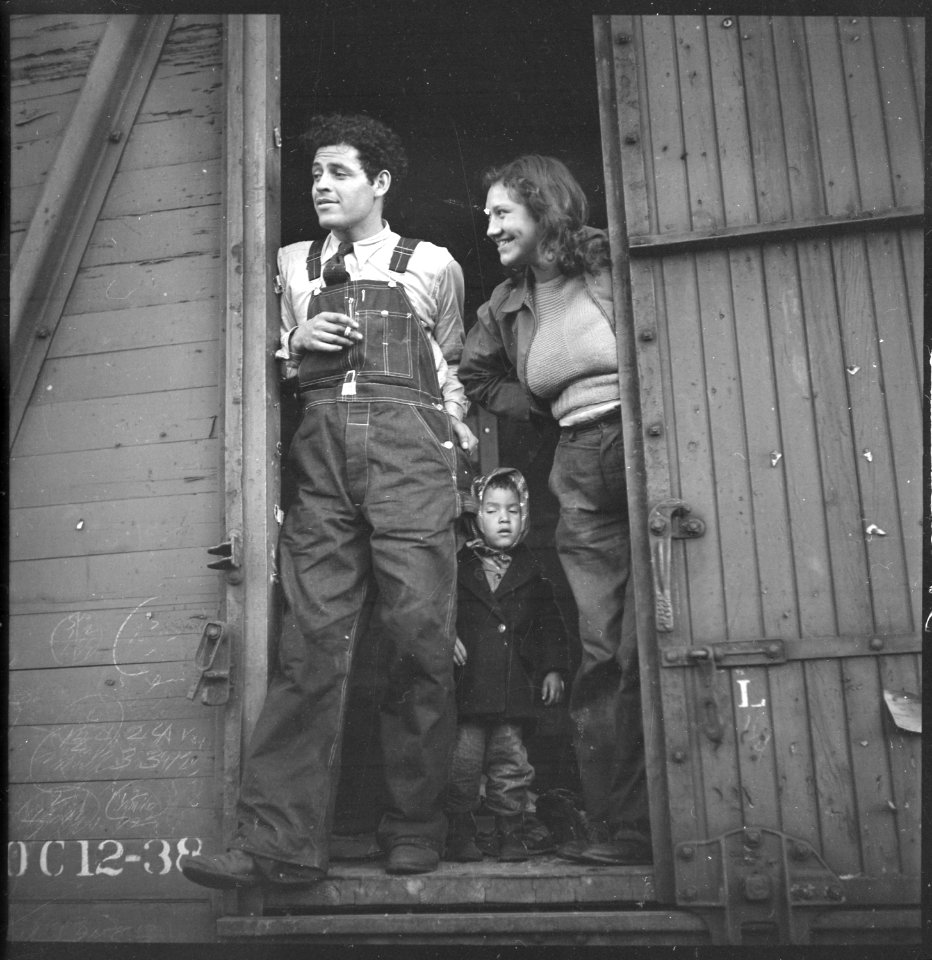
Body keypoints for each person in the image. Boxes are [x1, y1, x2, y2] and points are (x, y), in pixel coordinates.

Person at [180, 114, 478, 889]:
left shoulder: (433, 264)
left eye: (339, 172)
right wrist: (294, 346)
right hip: (322, 455)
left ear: (380, 184)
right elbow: (265, 362)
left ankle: (414, 825)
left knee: (419, 634)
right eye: (314, 173)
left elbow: (450, 369)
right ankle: (279, 845)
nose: (321, 185)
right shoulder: (288, 264)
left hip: (412, 457)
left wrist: (458, 442)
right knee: (311, 639)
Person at [458, 155, 651, 866]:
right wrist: (535, 405)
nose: (490, 228)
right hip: (576, 459)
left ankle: (686, 820)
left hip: (646, 443)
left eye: (502, 212)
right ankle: (622, 828)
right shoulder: (505, 306)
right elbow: (473, 372)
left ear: (543, 208)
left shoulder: (611, 257)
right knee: (601, 646)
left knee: (659, 636)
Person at [444, 467, 568, 863]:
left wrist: (552, 668)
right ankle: (460, 832)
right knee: (462, 766)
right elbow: (437, 608)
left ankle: (509, 832)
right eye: (492, 509)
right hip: (467, 689)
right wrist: (445, 636)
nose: (503, 519)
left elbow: (549, 625)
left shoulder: (533, 571)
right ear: (476, 516)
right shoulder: (456, 567)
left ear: (524, 517)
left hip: (513, 691)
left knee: (510, 765)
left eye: (513, 511)